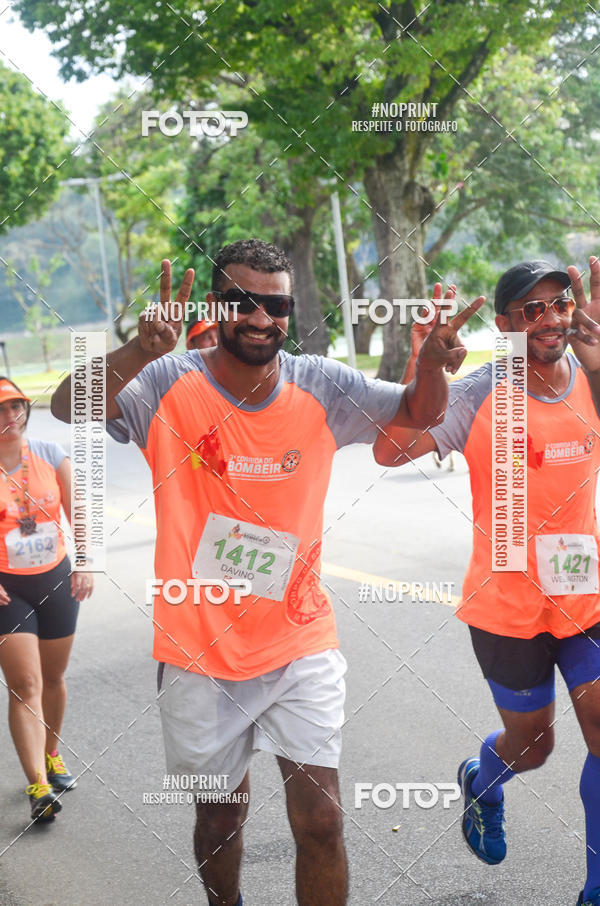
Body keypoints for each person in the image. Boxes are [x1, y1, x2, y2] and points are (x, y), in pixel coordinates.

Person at [51, 238, 482, 906]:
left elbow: (419, 413)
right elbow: (66, 406)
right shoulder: (167, 382)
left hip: (299, 640)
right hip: (199, 649)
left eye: (276, 306)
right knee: (220, 819)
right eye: (242, 301)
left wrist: (430, 368)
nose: (260, 318)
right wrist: (138, 351)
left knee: (323, 818)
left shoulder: (322, 384)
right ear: (215, 304)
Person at [373, 258, 600, 906]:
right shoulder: (478, 393)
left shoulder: (591, 373)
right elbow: (390, 450)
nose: (551, 318)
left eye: (560, 303)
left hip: (586, 598)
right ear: (504, 326)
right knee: (534, 746)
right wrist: (425, 372)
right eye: (533, 309)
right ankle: (483, 779)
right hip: (506, 609)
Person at [0, 377, 94, 822]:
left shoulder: (50, 454)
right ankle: (38, 785)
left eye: (15, 407)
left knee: (53, 678)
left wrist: (86, 562)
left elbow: (79, 510)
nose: (9, 417)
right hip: (7, 589)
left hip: (55, 578)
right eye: (0, 410)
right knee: (25, 685)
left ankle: (51, 753)